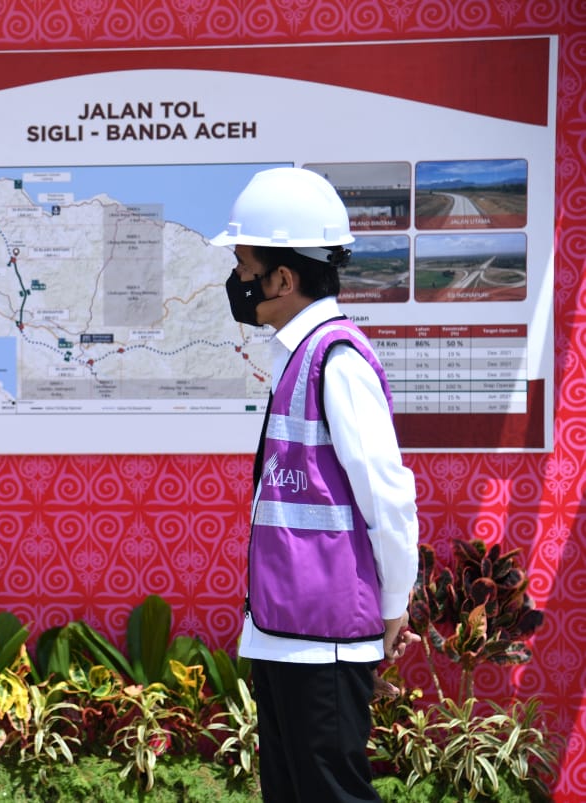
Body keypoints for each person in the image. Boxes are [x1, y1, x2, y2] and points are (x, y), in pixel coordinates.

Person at [211, 167, 420, 802]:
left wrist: (393, 608)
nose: (237, 282)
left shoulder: (338, 360)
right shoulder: (295, 356)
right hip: (283, 631)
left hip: (326, 638)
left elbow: (388, 496)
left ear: (284, 277)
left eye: (245, 266)